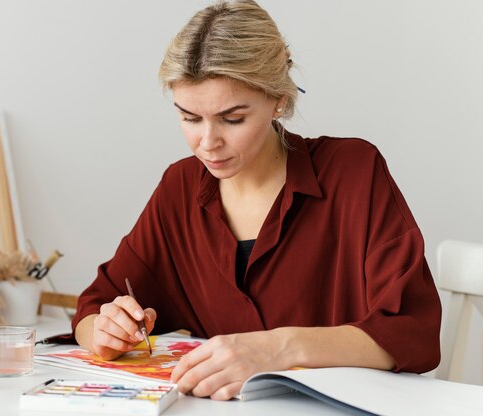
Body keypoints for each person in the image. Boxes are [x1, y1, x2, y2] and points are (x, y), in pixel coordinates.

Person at [72, 0, 441, 401]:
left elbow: (412, 331)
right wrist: (105, 331)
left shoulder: (353, 172)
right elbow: (93, 306)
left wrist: (278, 347)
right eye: (190, 118)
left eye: (232, 119)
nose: (208, 143)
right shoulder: (178, 188)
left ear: (278, 99)